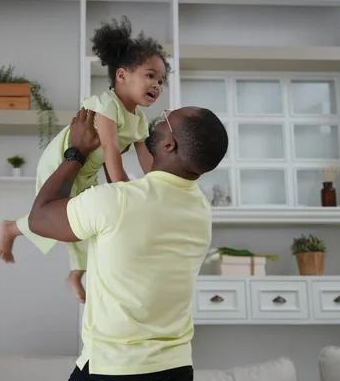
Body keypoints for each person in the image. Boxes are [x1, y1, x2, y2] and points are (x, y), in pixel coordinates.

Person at [26, 107, 228, 381]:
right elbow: (157, 181)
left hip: (116, 369)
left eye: (167, 118)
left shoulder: (117, 201)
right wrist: (129, 138)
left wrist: (76, 152)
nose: (159, 117)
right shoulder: (200, 209)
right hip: (176, 369)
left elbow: (39, 217)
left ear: (169, 144)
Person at [0, 16, 171, 303]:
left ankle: (75, 275)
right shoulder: (105, 105)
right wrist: (124, 188)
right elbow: (111, 150)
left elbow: (147, 161)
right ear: (122, 75)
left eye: (161, 80)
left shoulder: (139, 120)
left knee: (84, 225)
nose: (157, 85)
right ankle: (11, 228)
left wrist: (158, 186)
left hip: (86, 172)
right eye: (150, 75)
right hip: (62, 163)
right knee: (58, 219)